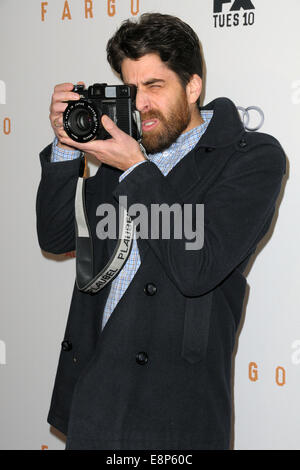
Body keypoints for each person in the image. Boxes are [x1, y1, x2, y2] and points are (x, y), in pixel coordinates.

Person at [36, 13, 286, 450]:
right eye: (132, 90)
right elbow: (57, 237)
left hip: (176, 406)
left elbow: (197, 267)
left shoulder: (250, 157)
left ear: (193, 87)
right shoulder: (123, 155)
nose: (140, 105)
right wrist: (63, 148)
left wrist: (135, 168)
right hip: (98, 394)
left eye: (155, 87)